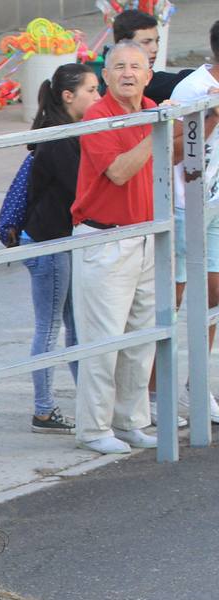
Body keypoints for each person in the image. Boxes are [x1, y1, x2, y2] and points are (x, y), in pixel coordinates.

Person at [71, 41, 160, 455]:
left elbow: (176, 156)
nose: (128, 73)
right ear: (105, 76)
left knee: (141, 339)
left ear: (149, 73)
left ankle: (131, 420)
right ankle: (94, 428)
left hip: (146, 234)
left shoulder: (153, 108)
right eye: (119, 67)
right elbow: (120, 172)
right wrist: (157, 129)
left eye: (136, 67)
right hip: (103, 238)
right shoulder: (97, 116)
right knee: (103, 342)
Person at [20, 64, 97, 435]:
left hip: (58, 239)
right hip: (48, 241)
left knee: (74, 326)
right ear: (68, 96)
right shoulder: (59, 137)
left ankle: (90, 401)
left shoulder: (65, 131)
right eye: (91, 91)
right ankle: (44, 410)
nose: (97, 98)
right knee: (50, 327)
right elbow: (78, 187)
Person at [156, 20, 219, 425]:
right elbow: (171, 153)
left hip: (215, 203)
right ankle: (155, 393)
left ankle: (197, 385)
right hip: (183, 204)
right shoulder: (192, 90)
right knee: (172, 300)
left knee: (213, 296)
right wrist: (211, 115)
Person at [109, 9, 191, 103]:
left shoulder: (149, 103)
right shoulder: (116, 89)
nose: (155, 49)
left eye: (157, 41)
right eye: (146, 42)